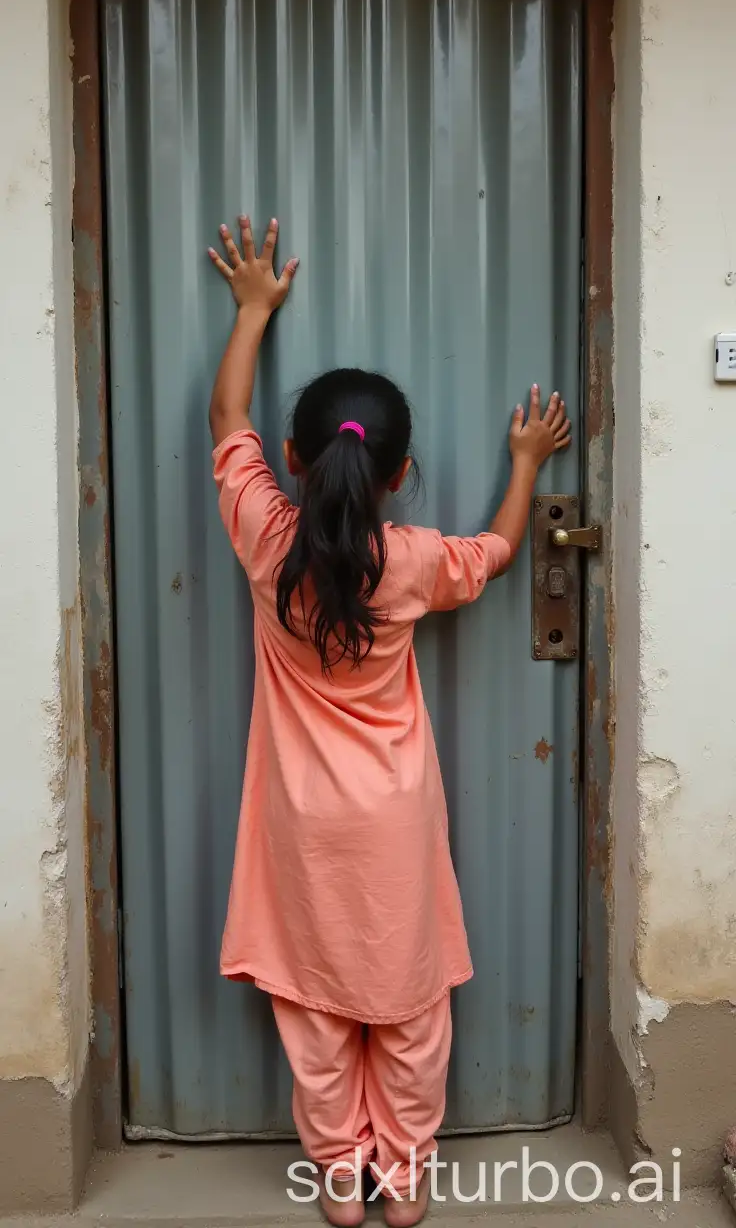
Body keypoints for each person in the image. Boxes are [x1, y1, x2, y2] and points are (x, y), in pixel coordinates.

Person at [207, 217, 571, 1227]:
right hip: (395, 818)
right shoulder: (411, 561)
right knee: (409, 1007)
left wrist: (250, 310)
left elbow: (223, 414)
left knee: (316, 1008)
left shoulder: (264, 538)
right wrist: (526, 461)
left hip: (299, 822)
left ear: (293, 458)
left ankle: (338, 1177)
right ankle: (403, 1181)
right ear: (400, 474)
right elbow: (499, 550)